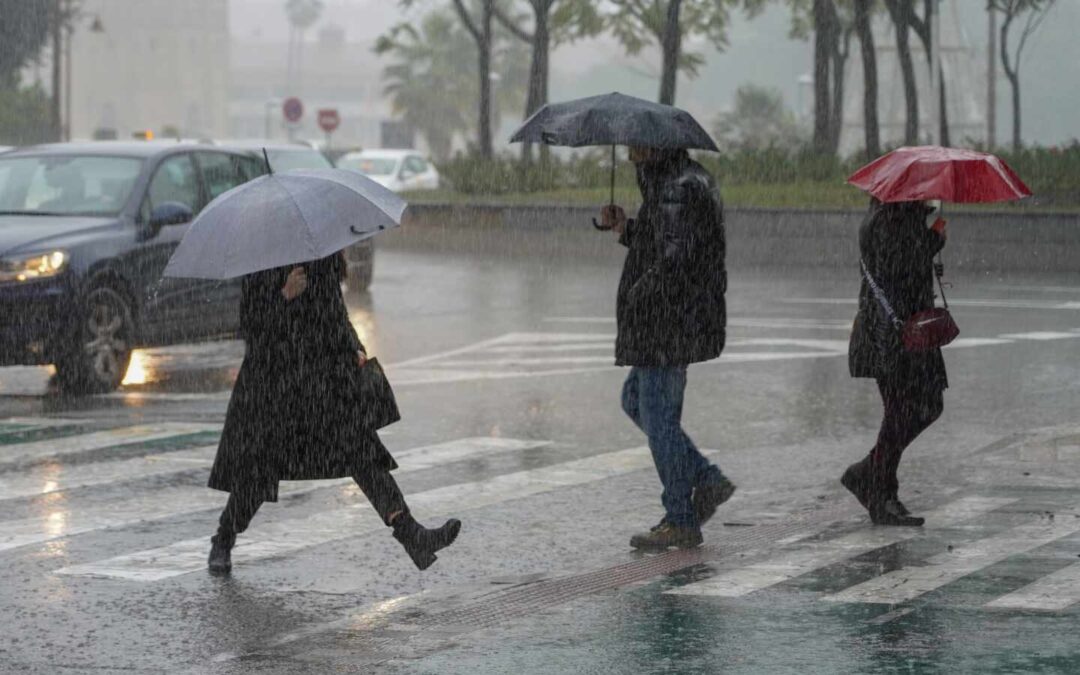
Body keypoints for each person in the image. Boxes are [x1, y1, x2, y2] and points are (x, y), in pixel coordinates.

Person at [206, 252, 460, 575]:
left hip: (324, 382)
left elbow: (335, 313)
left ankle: (413, 536)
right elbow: (252, 331)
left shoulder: (319, 253)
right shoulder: (263, 259)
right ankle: (224, 539)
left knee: (362, 455)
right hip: (275, 388)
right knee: (257, 471)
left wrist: (354, 345)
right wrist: (284, 297)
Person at [599, 146, 736, 550]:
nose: (627, 155)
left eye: (634, 146)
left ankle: (680, 517)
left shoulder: (677, 188)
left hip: (665, 322)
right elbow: (665, 241)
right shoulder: (675, 183)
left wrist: (640, 293)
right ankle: (705, 478)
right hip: (671, 320)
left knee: (658, 417)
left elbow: (675, 259)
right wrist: (626, 228)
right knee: (635, 400)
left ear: (655, 146)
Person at [843, 200, 948, 526]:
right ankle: (881, 491)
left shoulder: (898, 217)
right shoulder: (888, 220)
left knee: (925, 405)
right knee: (903, 410)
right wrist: (931, 242)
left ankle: (871, 476)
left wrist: (928, 244)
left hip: (908, 328)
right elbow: (896, 269)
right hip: (891, 332)